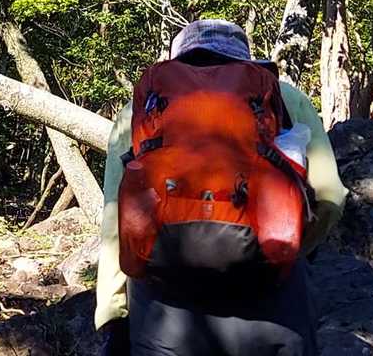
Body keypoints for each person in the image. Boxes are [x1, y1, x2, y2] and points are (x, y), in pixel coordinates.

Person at [95, 20, 346, 356]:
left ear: (178, 58)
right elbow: (332, 196)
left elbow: (115, 219)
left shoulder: (143, 108)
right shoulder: (284, 98)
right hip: (272, 301)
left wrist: (112, 313)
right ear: (245, 58)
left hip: (164, 308)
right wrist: (292, 250)